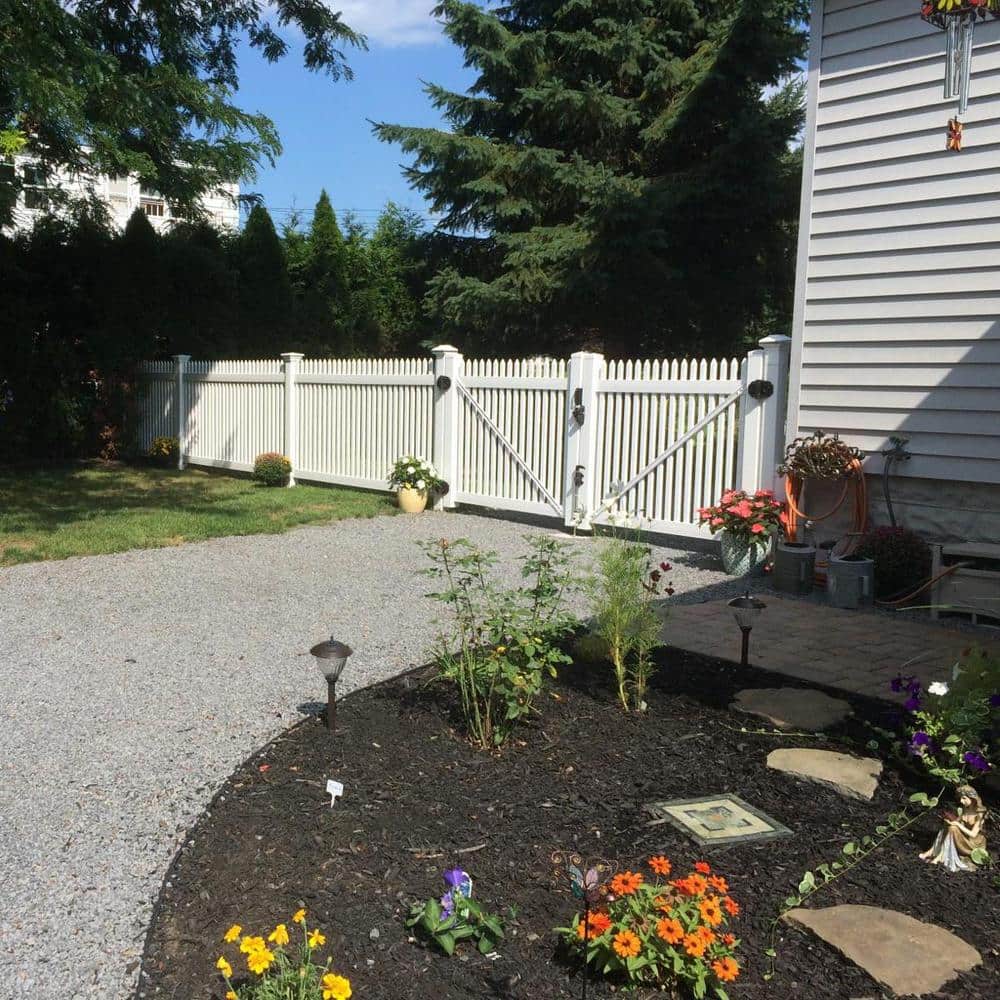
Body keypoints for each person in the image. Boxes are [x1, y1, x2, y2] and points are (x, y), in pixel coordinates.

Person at [919, 785, 987, 872]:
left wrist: (957, 825)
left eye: (964, 798)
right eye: (960, 799)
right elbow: (958, 821)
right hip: (964, 836)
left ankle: (941, 856)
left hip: (973, 843)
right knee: (948, 826)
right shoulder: (965, 808)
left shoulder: (980, 814)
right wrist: (950, 821)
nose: (961, 801)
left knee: (953, 828)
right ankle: (932, 851)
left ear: (972, 798)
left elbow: (973, 834)